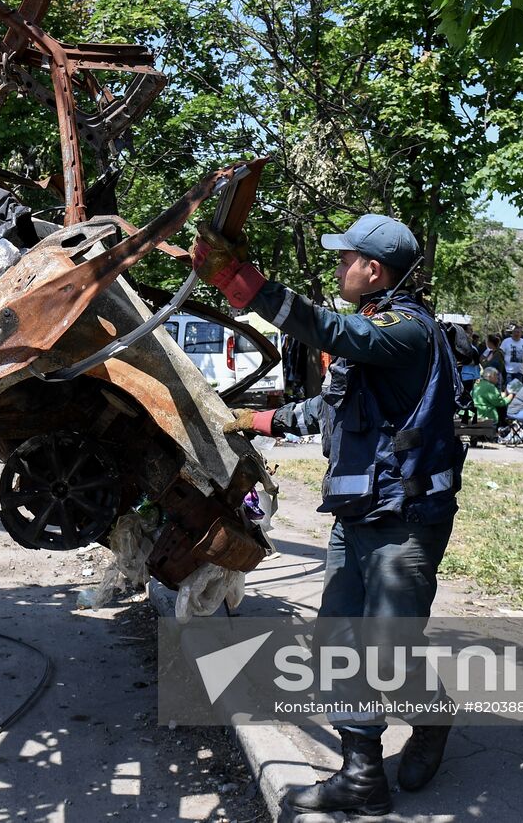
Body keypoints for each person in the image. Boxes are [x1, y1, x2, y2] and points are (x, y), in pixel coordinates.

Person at [193, 213, 465, 817]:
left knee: (387, 649)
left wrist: (242, 282)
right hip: (358, 513)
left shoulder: (407, 331)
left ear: (375, 269)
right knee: (339, 642)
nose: (338, 268)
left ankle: (433, 716)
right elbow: (332, 407)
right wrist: (258, 420)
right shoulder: (372, 333)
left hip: (406, 516)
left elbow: (330, 330)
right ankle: (362, 774)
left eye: (346, 259)